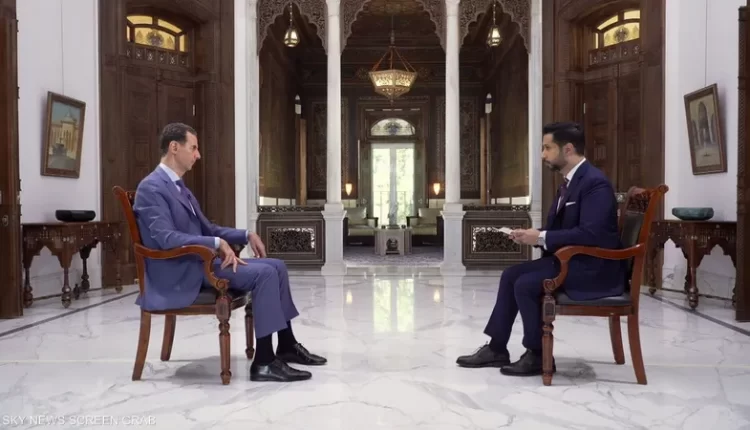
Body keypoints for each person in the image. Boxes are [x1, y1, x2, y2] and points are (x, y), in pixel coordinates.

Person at [133, 122, 326, 383]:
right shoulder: (151, 188)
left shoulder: (180, 187)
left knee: (277, 266)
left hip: (199, 263)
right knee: (265, 274)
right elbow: (166, 239)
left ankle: (286, 344)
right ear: (174, 147)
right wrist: (216, 243)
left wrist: (246, 235)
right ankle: (264, 362)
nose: (198, 155)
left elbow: (209, 228)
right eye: (194, 148)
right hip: (180, 271)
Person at [456, 121, 626, 377]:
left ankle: (537, 354)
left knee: (525, 284)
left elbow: (593, 234)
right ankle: (497, 348)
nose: (543, 154)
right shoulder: (569, 182)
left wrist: (542, 236)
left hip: (593, 268)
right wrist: (533, 237)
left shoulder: (595, 183)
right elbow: (565, 229)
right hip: (571, 260)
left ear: (568, 149)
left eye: (547, 148)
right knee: (510, 275)